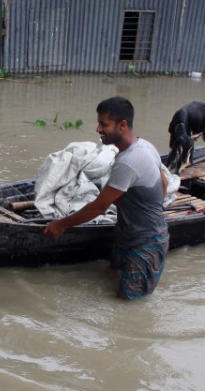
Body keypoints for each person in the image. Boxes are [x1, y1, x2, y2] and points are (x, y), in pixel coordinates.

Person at [43, 97, 169, 300]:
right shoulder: (145, 146)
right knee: (113, 275)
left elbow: (99, 207)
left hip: (146, 243)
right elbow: (163, 182)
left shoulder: (128, 162)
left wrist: (61, 224)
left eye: (104, 124)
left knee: (127, 302)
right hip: (127, 235)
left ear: (123, 125)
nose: (98, 129)